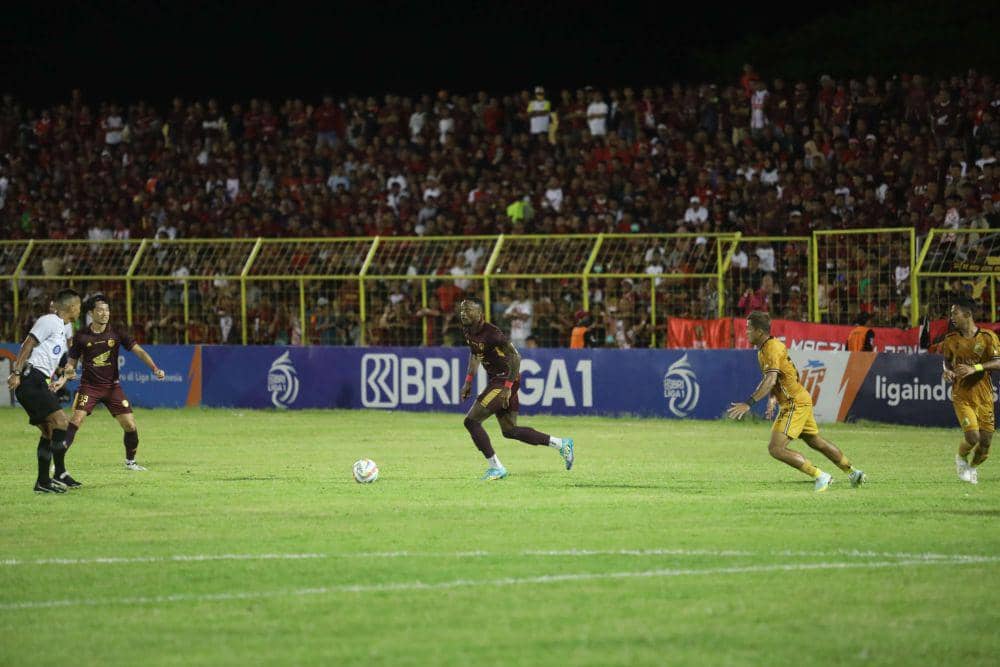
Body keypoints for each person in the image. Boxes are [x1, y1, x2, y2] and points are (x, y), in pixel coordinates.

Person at [726, 311, 866, 492]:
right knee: (816, 441)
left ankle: (820, 476)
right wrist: (772, 398)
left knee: (776, 448)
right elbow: (777, 378)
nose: (746, 332)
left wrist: (749, 403)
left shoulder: (771, 348)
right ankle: (853, 472)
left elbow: (770, 380)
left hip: (794, 403)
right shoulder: (765, 349)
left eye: (749, 329)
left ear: (760, 331)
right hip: (799, 399)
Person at [458, 298, 573, 479]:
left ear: (480, 314)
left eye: (469, 310)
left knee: (471, 421)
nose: (464, 313)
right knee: (510, 430)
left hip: (505, 379)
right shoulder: (467, 330)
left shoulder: (493, 333)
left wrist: (507, 387)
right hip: (499, 379)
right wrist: (468, 381)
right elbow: (475, 353)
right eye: (462, 310)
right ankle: (561, 444)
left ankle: (496, 468)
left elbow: (516, 357)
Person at [58, 294, 166, 471]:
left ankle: (130, 462)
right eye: (100, 310)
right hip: (89, 387)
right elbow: (72, 362)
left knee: (130, 425)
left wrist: (154, 368)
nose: (104, 313)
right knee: (76, 420)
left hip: (112, 387)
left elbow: (139, 351)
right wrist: (68, 370)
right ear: (92, 313)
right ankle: (58, 463)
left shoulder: (116, 331)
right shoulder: (81, 336)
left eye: (107, 309)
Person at [6, 288, 82, 493]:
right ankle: (56, 474)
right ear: (72, 307)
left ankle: (43, 481)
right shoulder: (49, 320)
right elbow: (28, 344)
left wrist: (63, 371)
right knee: (61, 422)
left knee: (49, 432)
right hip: (31, 379)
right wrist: (16, 372)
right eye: (79, 306)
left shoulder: (63, 327)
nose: (80, 310)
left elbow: (48, 356)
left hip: (39, 379)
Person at [941, 296, 1000, 484]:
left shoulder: (988, 337)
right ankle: (960, 458)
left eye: (955, 312)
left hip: (984, 397)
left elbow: (998, 362)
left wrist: (975, 368)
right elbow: (947, 363)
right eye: (951, 313)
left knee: (985, 445)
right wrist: (947, 372)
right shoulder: (950, 340)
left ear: (967, 314)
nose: (952, 316)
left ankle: (972, 467)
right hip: (962, 395)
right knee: (973, 436)